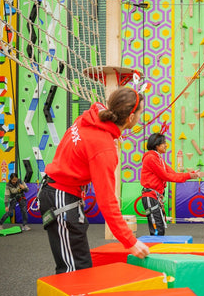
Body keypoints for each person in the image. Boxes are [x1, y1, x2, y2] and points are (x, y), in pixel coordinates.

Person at [38, 87, 150, 274]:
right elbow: (107, 202)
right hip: (61, 196)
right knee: (73, 270)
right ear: (130, 118)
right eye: (140, 113)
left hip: (60, 193)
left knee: (79, 265)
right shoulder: (104, 148)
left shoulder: (90, 117)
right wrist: (130, 241)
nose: (141, 117)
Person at [141, 132, 204, 235]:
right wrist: (189, 176)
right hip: (150, 197)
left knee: (160, 228)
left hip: (155, 197)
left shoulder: (159, 159)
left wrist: (191, 174)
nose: (166, 145)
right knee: (157, 229)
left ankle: (157, 250)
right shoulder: (151, 158)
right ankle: (154, 250)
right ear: (156, 145)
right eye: (163, 143)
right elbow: (166, 176)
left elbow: (173, 174)